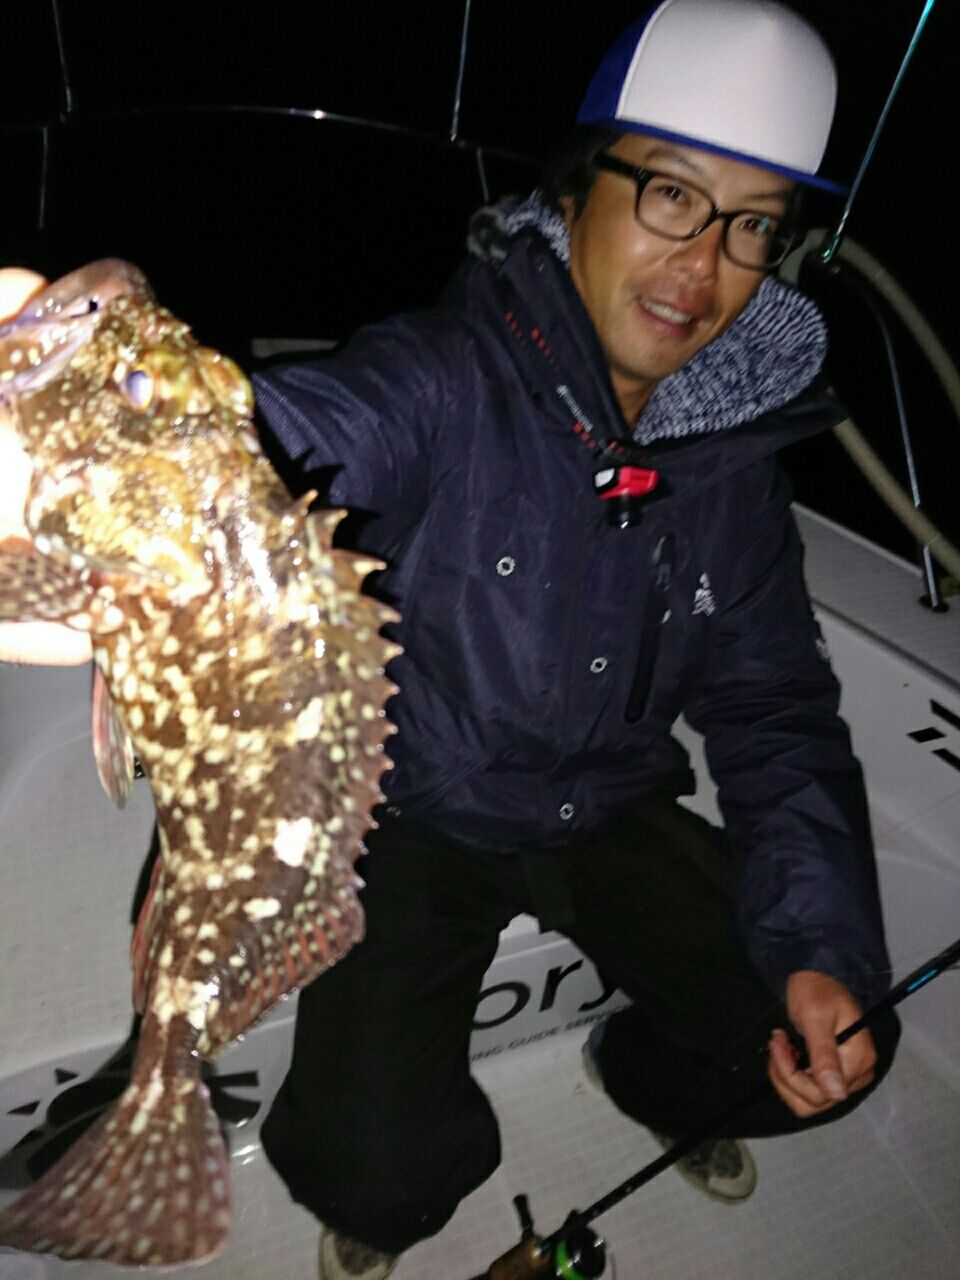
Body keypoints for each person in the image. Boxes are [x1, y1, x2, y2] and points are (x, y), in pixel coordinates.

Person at [0, 4, 901, 1278]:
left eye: (752, 223)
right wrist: (70, 474)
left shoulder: (736, 460)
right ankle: (336, 1164)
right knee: (374, 1176)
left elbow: (776, 708)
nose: (702, 262)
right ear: (576, 192)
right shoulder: (439, 374)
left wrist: (820, 948)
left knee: (837, 1044)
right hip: (409, 813)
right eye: (669, 194)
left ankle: (644, 1071)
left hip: (610, 810)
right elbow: (290, 439)